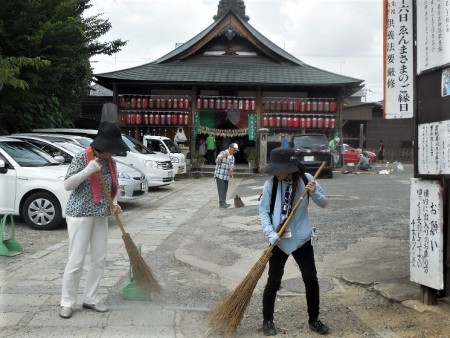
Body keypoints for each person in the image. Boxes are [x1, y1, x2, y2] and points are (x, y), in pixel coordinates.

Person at [59, 121, 130, 319]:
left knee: (99, 259)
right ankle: (67, 301)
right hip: (79, 214)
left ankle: (90, 298)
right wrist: (88, 169)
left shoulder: (110, 162)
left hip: (100, 214)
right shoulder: (82, 157)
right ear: (104, 146)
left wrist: (114, 203)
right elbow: (67, 185)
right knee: (76, 260)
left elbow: (111, 188)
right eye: (112, 149)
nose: (114, 154)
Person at [259, 147, 329, 335]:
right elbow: (263, 211)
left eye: (278, 169)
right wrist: (270, 234)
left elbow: (324, 203)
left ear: (289, 167)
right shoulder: (270, 185)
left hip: (302, 239)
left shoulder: (307, 179)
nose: (275, 173)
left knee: (310, 279)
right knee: (273, 281)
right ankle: (267, 320)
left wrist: (314, 192)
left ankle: (314, 319)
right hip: (279, 239)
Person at [214, 142, 239, 208]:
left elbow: (232, 164)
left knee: (225, 189)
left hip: (226, 176)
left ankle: (222, 202)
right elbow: (217, 161)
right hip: (220, 175)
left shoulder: (232, 157)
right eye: (234, 150)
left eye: (235, 151)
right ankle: (222, 203)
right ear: (230, 148)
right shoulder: (223, 153)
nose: (234, 152)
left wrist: (231, 168)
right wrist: (223, 156)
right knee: (221, 189)